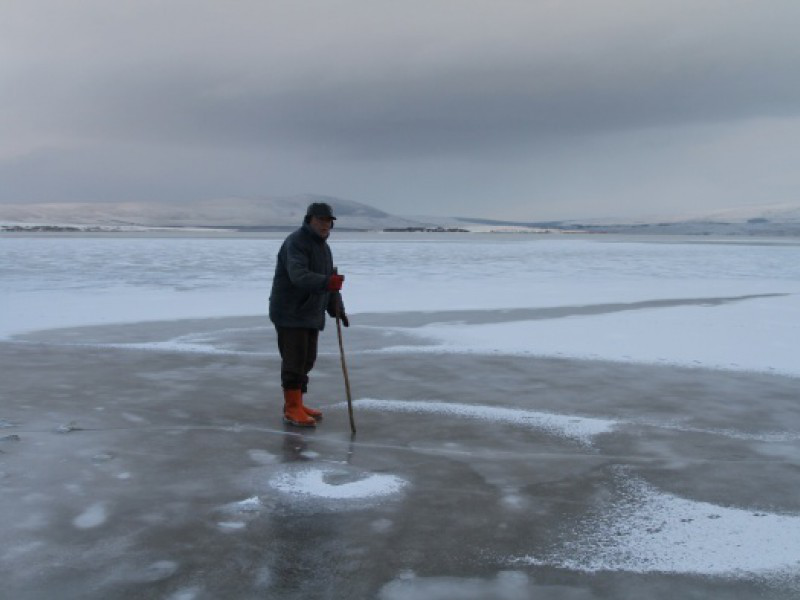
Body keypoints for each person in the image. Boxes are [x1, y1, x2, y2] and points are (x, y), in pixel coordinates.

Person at [268, 202, 349, 427]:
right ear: (309, 220)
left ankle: (297, 402)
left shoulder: (323, 248)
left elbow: (330, 283)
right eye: (321, 220)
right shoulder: (296, 242)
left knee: (307, 359)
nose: (325, 225)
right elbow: (298, 275)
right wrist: (326, 282)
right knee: (294, 360)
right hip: (290, 311)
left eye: (328, 221)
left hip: (310, 312)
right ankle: (292, 408)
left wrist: (336, 306)